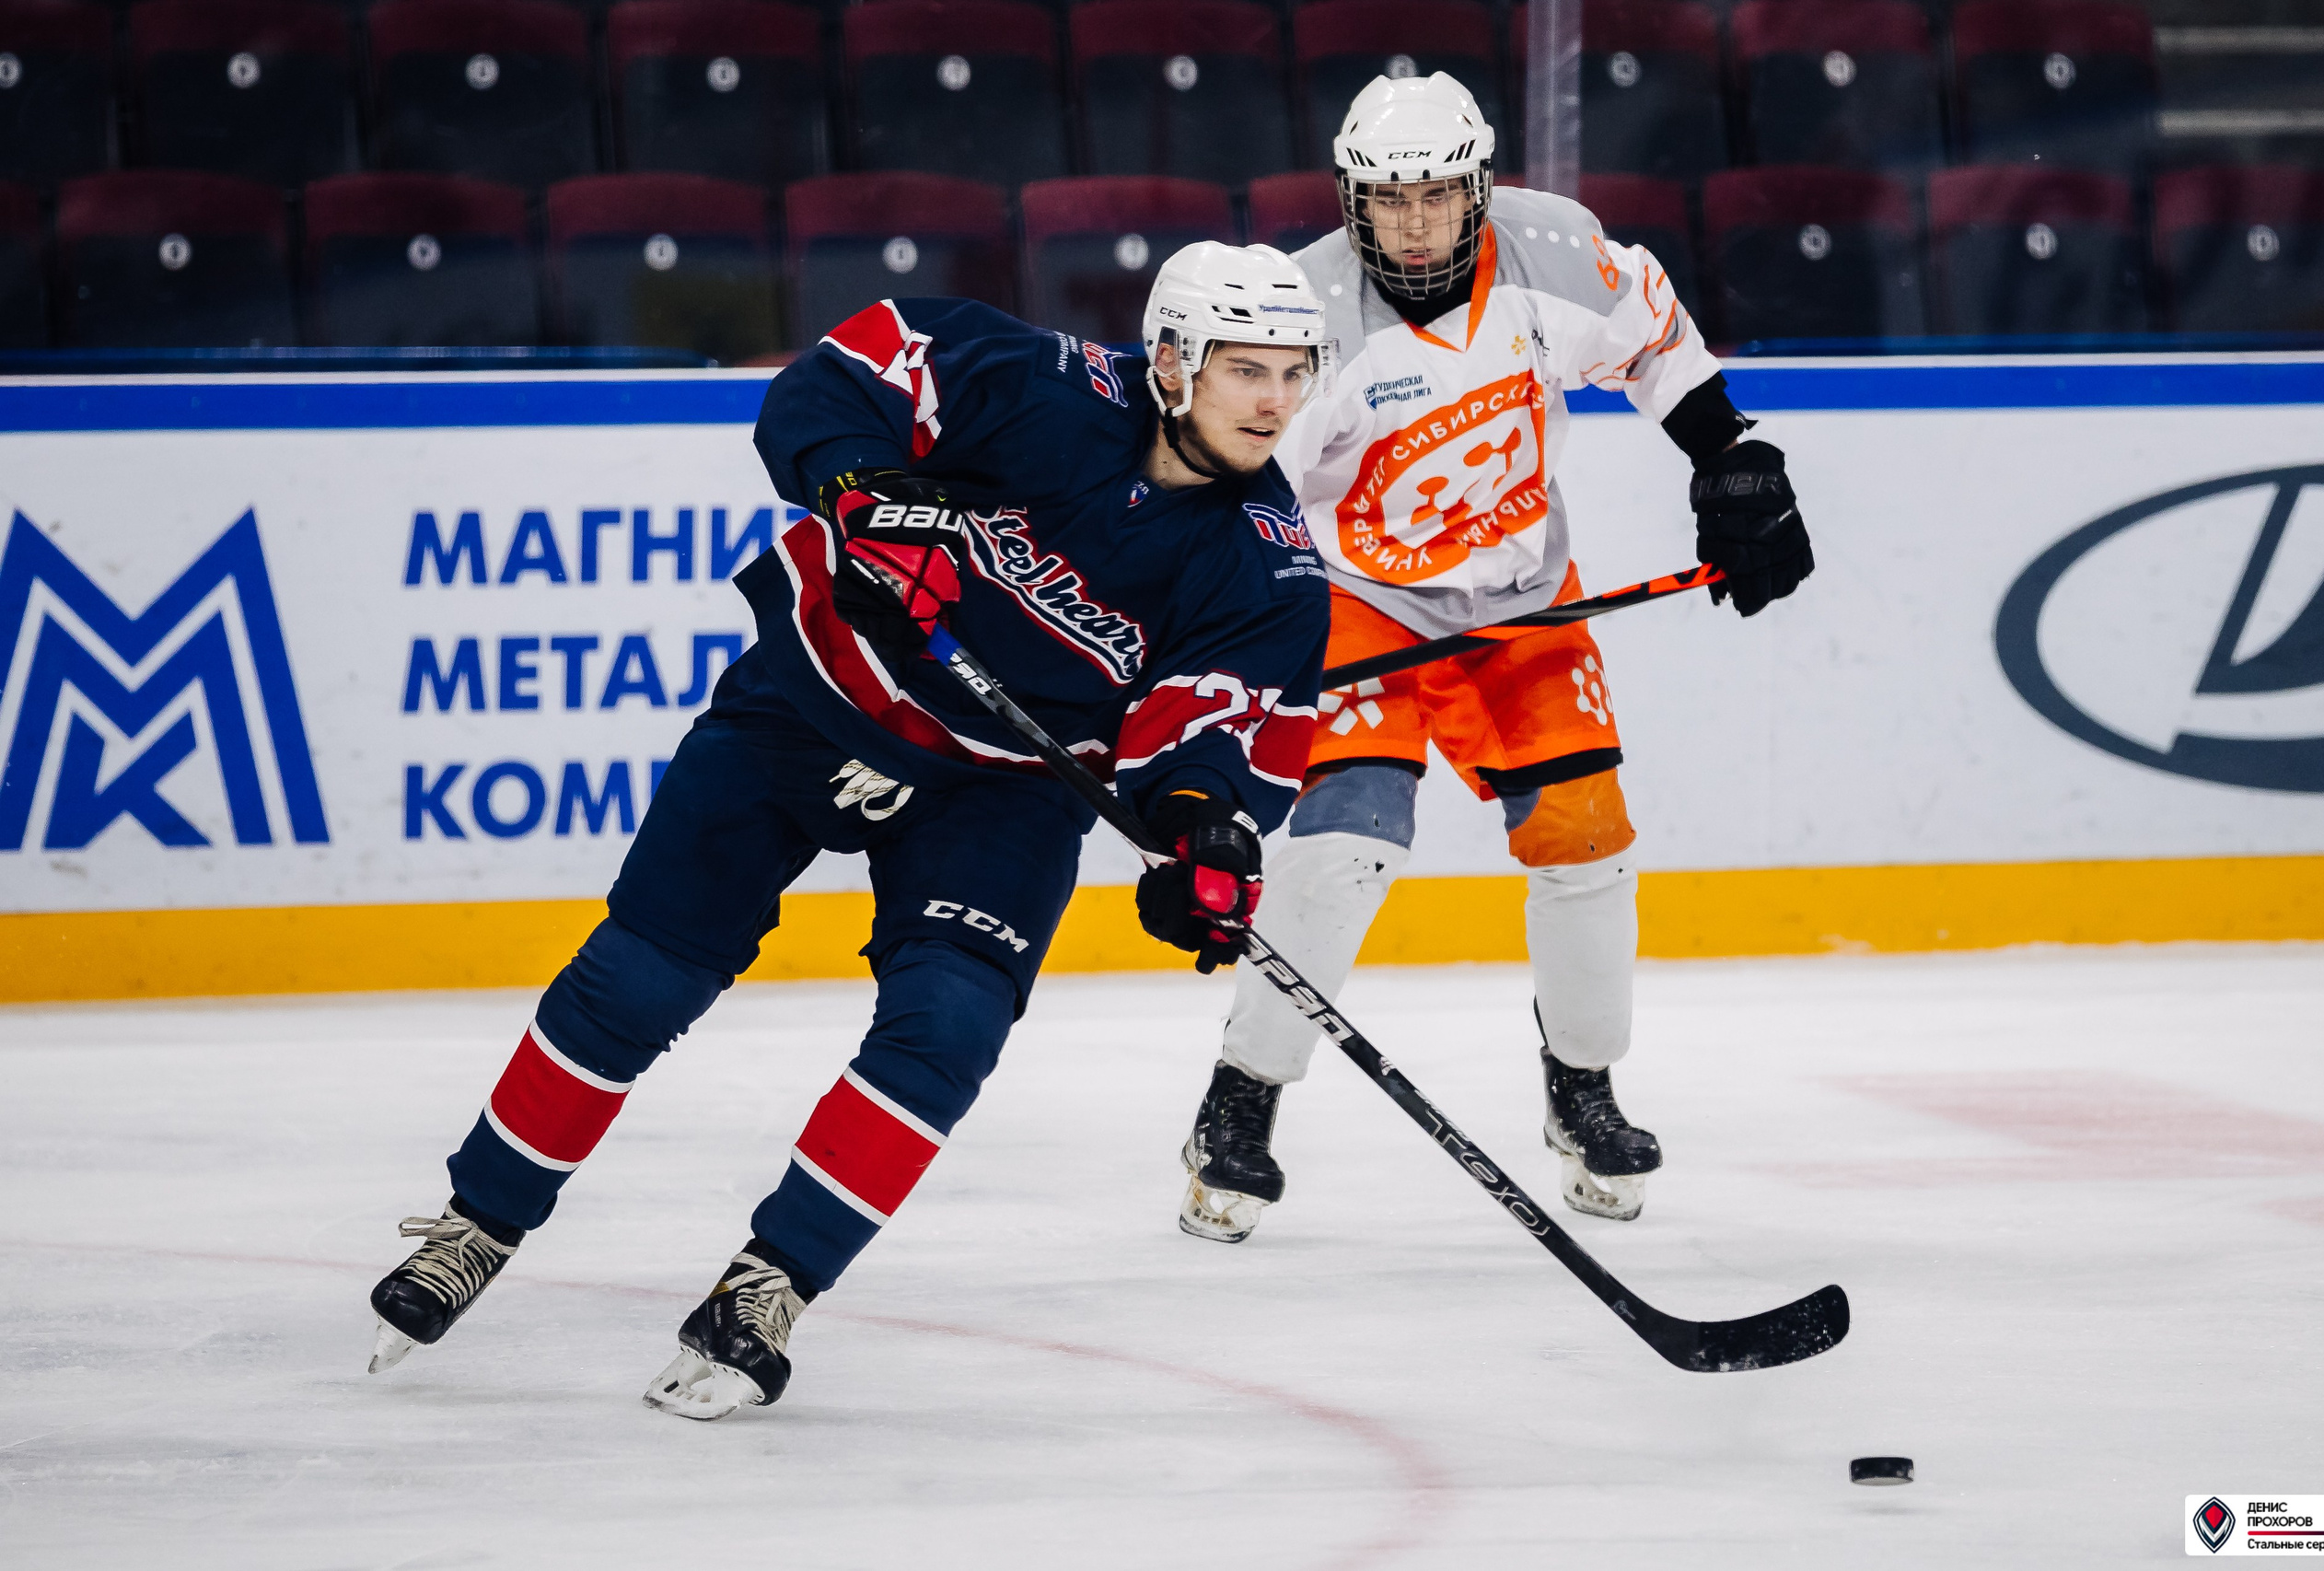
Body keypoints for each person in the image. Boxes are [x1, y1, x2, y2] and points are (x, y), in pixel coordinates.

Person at [366, 241, 1336, 1419]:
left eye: (1295, 372)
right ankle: (479, 1220)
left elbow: (1207, 738)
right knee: (636, 978)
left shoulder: (1270, 569)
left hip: (999, 783)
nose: (1277, 402)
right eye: (1249, 370)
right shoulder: (1030, 377)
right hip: (812, 694)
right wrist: (860, 489)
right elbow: (828, 383)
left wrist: (1200, 838)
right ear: (1174, 359)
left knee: (950, 1023)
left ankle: (769, 1283)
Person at [1177, 74, 1813, 1243]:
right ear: (1350, 199)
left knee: (1585, 836)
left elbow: (1655, 337)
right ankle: (1241, 1097)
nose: (1414, 224)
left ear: (1478, 188)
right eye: (1388, 200)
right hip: (1360, 602)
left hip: (1522, 596)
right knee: (1344, 845)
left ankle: (1583, 1091)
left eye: (1436, 196)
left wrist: (1728, 456)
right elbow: (1235, 485)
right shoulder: (1304, 312)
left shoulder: (1555, 253)